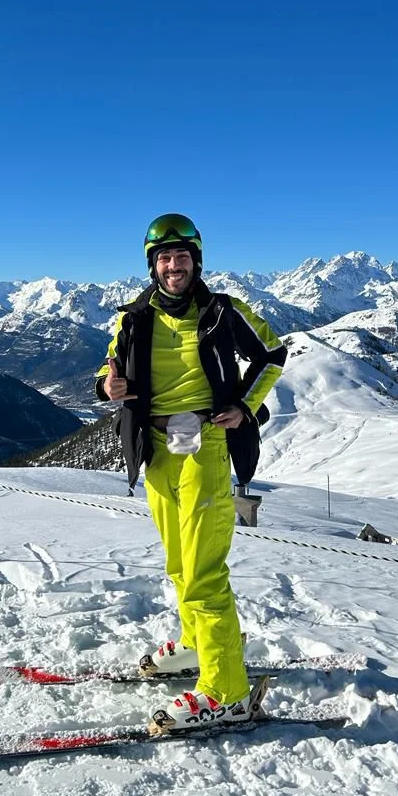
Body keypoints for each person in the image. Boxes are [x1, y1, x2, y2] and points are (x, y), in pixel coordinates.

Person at [95, 213, 287, 732]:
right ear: (153, 265)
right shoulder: (132, 317)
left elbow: (272, 354)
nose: (173, 265)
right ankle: (197, 643)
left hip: (205, 444)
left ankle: (227, 690)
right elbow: (108, 366)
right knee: (179, 561)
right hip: (154, 448)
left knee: (204, 570)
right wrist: (106, 386)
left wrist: (246, 406)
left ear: (195, 261)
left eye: (181, 256)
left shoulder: (224, 311)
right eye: (163, 257)